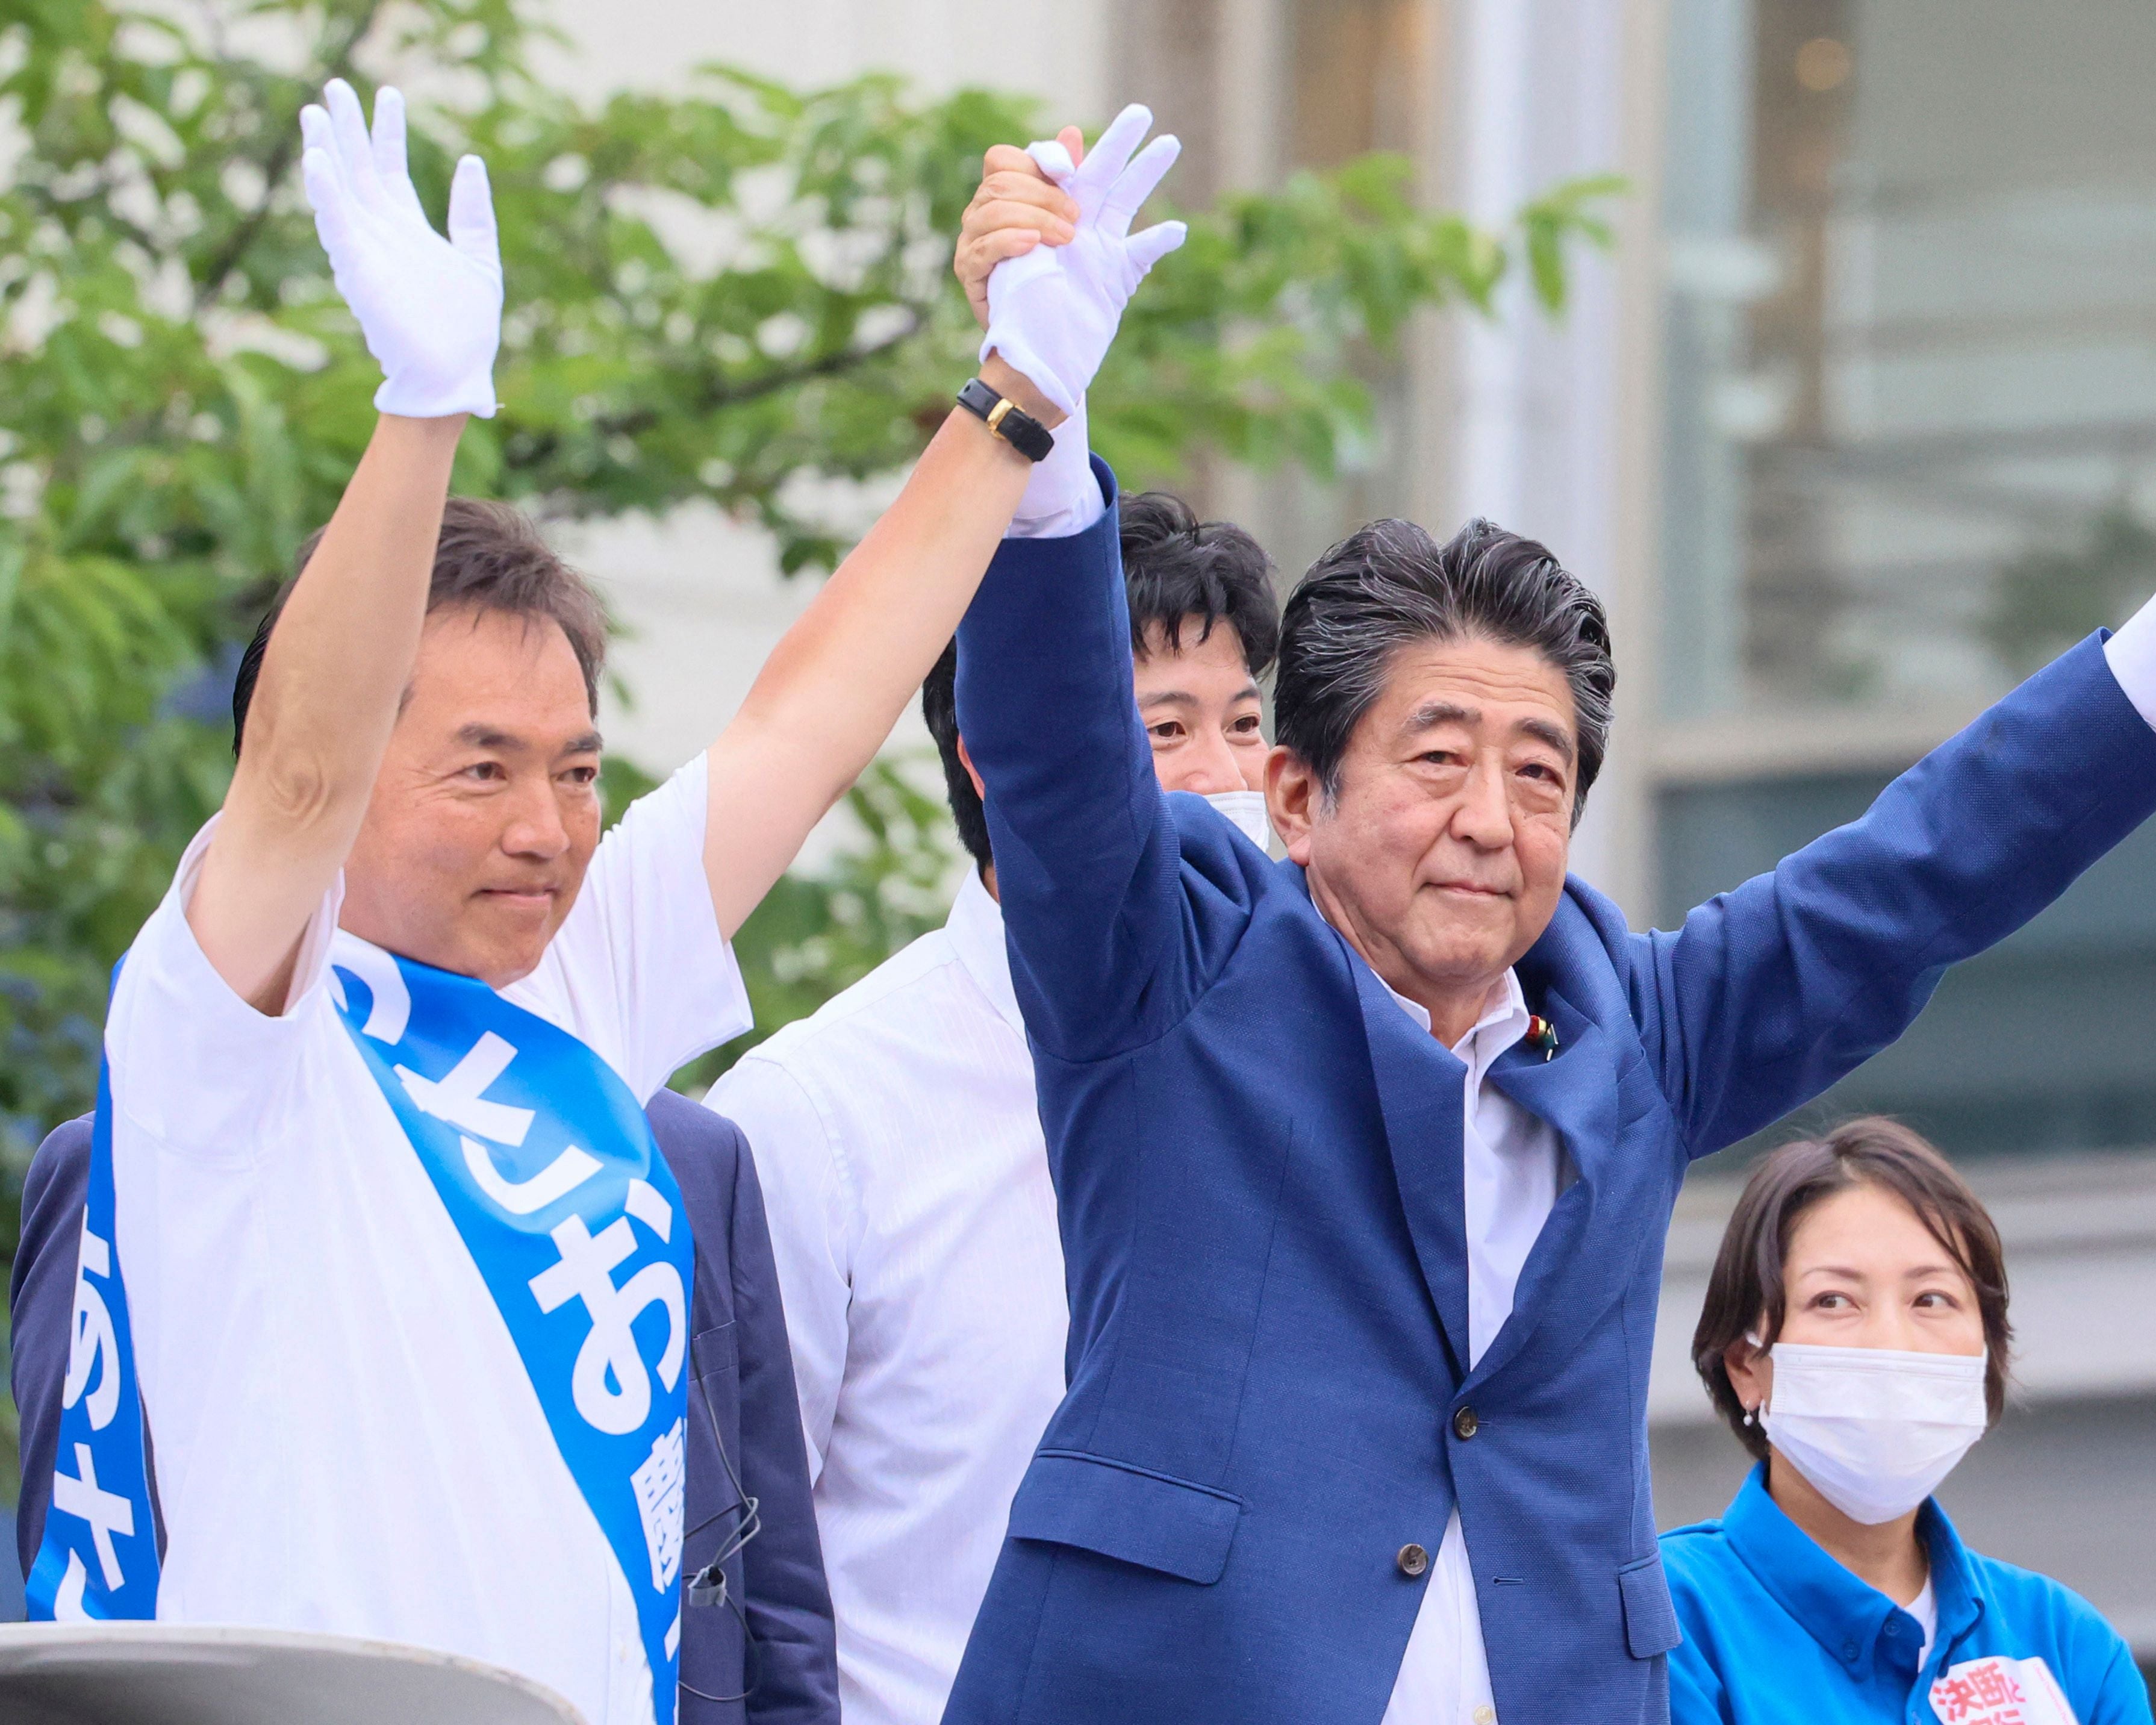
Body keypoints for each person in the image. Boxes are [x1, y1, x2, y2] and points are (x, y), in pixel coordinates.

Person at [934, 123, 2156, 1724]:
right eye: (1437, 759)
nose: (1490, 819)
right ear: (1294, 796)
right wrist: (1037, 409)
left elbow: (1921, 869)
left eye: (1539, 775)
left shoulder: (1631, 1032)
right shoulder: (1172, 969)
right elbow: (1053, 756)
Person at [26, 78, 1180, 1725]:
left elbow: (813, 708)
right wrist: (422, 411)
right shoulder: (231, 1039)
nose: (548, 827)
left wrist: (1019, 398)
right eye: (480, 768)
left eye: (573, 770)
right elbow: (292, 775)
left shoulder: (575, 992)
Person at [702, 485, 1278, 1725]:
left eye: (1243, 721)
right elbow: (732, 1570)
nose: (1229, 774)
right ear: (1002, 748)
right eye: (1166, 730)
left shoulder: (1310, 1076)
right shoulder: (814, 1118)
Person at [11, 1091, 833, 1722]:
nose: (536, 857)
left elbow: (772, 1597)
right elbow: (87, 1566)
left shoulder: (682, 1152)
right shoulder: (141, 1157)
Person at [1663, 1118, 2151, 1725]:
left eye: (1931, 1299)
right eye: (1833, 1300)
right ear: (1747, 1364)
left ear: (1984, 1351)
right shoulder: (1666, 1623)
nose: (1890, 1342)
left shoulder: (2066, 1644)